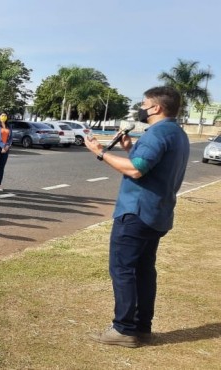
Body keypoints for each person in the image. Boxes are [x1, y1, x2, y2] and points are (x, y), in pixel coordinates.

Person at [85, 86, 190, 348]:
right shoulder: (176, 133)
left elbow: (136, 171)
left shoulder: (157, 133)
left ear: (156, 108)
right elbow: (148, 165)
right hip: (157, 213)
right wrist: (131, 147)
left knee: (123, 270)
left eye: (144, 104)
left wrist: (100, 152)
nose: (141, 108)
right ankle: (142, 327)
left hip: (136, 213)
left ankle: (123, 329)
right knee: (144, 270)